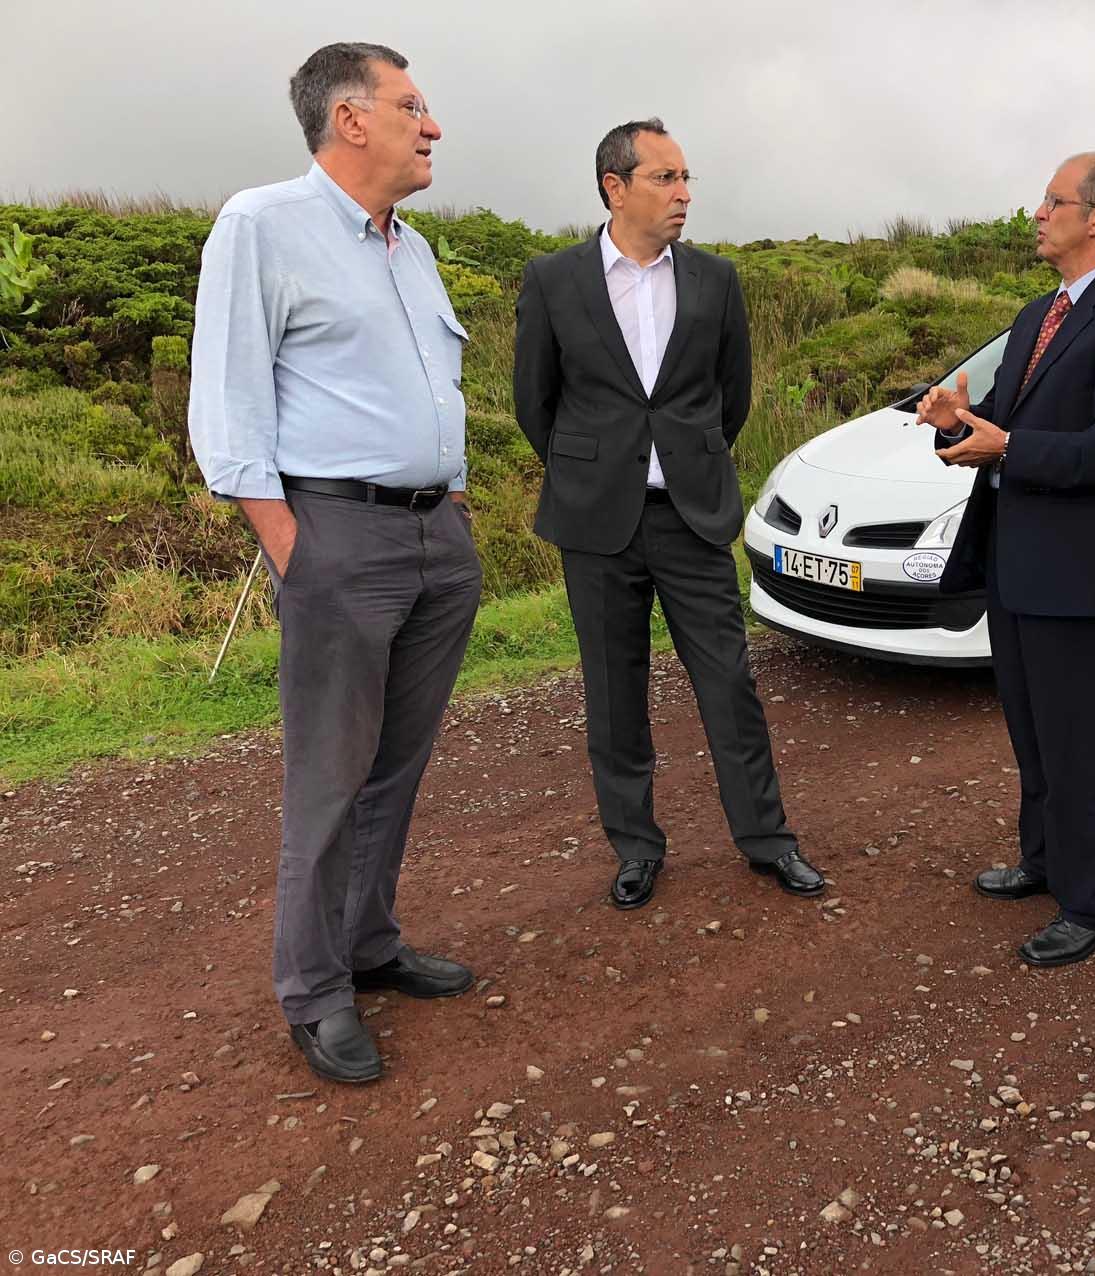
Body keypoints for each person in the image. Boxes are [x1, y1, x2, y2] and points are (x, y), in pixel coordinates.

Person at [188, 43, 483, 1084]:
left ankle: (368, 943)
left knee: (395, 766)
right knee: (330, 776)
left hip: (435, 537)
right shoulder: (261, 224)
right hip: (336, 539)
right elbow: (228, 409)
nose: (432, 126)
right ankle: (314, 991)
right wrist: (294, 552)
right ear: (350, 119)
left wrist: (452, 507)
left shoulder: (414, 248)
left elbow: (429, 390)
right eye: (412, 106)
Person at [513, 119, 823, 911]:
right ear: (614, 187)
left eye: (686, 178)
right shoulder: (553, 279)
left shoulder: (716, 279)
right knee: (613, 692)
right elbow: (534, 403)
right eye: (665, 178)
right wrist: (596, 468)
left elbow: (731, 396)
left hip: (691, 516)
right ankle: (636, 847)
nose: (683, 193)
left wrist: (687, 462)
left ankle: (767, 839)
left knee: (728, 682)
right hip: (595, 523)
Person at [914, 153, 1095, 968]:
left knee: (1075, 741)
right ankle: (1043, 860)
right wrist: (955, 420)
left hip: (1076, 565)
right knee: (1030, 728)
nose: (1036, 212)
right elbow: (1003, 420)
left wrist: (1008, 446)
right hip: (1015, 557)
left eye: (1052, 201)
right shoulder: (1039, 314)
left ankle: (1093, 905)